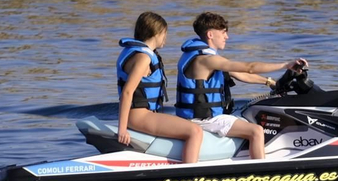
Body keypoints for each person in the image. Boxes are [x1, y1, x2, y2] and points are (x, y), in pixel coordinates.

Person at [175, 11, 305, 160]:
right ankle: (261, 175)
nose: (227, 37)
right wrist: (285, 65)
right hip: (203, 119)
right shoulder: (206, 59)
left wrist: (270, 83)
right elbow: (249, 67)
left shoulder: (198, 56)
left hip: (201, 116)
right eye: (223, 32)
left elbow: (241, 74)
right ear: (210, 34)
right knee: (256, 131)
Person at [116, 11, 204, 161]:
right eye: (164, 33)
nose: (165, 38)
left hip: (143, 114)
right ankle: (189, 178)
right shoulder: (143, 58)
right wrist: (122, 130)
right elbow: (127, 92)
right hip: (140, 116)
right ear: (155, 33)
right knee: (195, 131)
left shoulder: (137, 53)